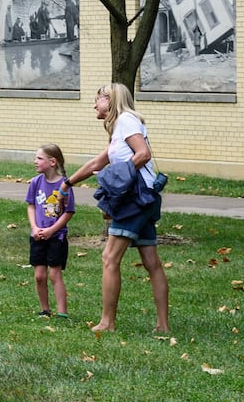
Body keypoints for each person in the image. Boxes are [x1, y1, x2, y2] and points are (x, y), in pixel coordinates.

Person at [67, 83, 170, 334]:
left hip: (135, 199)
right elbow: (96, 162)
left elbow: (143, 154)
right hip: (144, 198)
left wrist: (117, 177)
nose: (94, 105)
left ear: (110, 99)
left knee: (109, 258)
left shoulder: (126, 120)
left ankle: (107, 322)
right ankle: (163, 326)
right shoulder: (120, 129)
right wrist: (66, 184)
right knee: (151, 262)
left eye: (97, 99)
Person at [26, 143, 75, 319]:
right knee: (39, 276)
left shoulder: (64, 185)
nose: (35, 161)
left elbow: (68, 212)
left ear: (52, 162)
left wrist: (52, 230)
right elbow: (31, 206)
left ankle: (62, 312)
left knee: (55, 274)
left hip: (57, 237)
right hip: (38, 236)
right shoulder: (35, 182)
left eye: (39, 158)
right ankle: (45, 310)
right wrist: (35, 228)